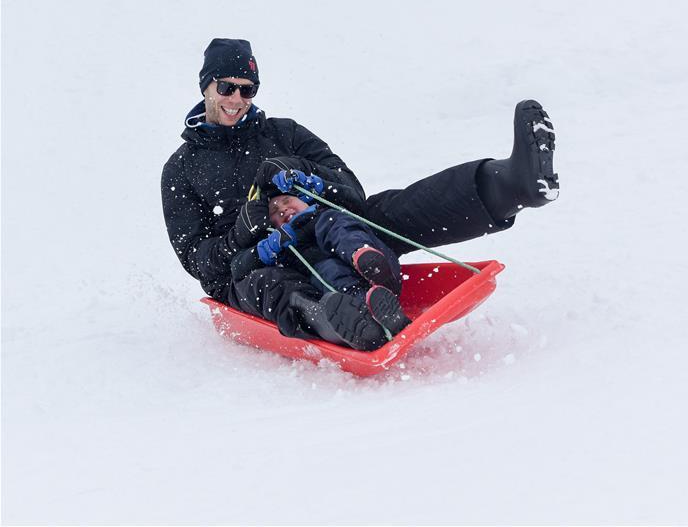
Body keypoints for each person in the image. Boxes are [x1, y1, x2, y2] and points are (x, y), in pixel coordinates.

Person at [161, 38, 558, 350]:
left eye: (248, 91)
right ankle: (345, 323)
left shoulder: (284, 133)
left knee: (381, 213)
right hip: (254, 265)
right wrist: (243, 233)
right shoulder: (180, 169)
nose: (237, 100)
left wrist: (304, 173)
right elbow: (200, 265)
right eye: (227, 87)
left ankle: (509, 185)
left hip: (324, 232)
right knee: (268, 284)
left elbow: (350, 190)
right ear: (206, 86)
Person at [229, 183, 410, 351]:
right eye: (275, 212)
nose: (283, 209)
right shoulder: (284, 246)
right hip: (340, 286)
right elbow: (237, 268)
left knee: (335, 224)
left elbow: (350, 199)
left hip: (378, 265)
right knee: (328, 269)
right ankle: (372, 316)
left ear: (304, 199)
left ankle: (365, 259)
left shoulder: (325, 213)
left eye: (287, 201)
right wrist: (265, 250)